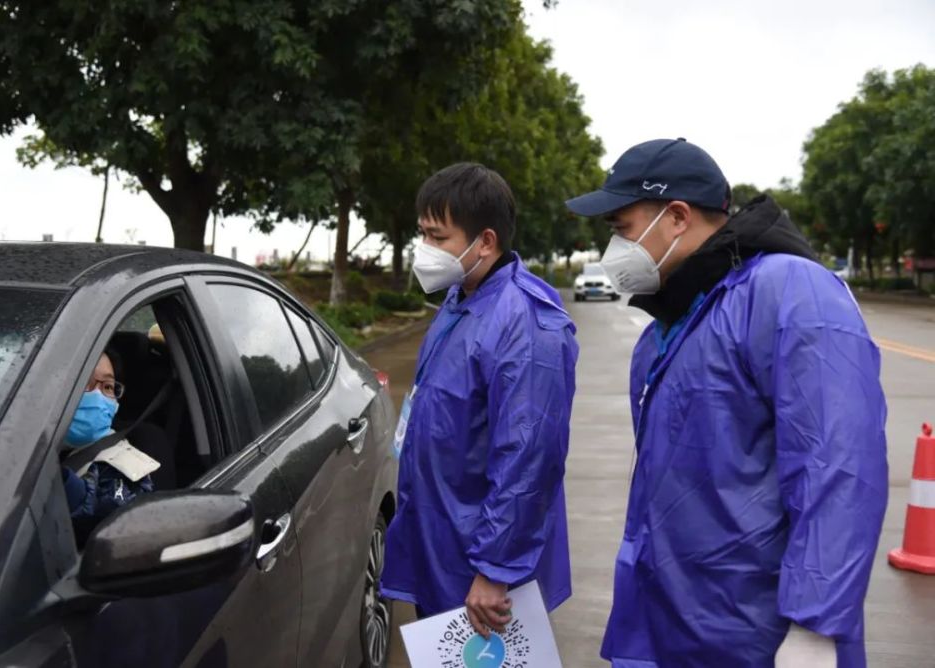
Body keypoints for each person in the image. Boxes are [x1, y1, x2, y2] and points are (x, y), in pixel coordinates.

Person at [566, 138, 887, 668]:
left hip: (757, 633)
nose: (613, 250)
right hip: (678, 623)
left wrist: (816, 624)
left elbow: (838, 463)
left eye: (621, 228)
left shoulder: (791, 293)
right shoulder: (668, 327)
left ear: (675, 217)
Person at [380, 163, 579, 638]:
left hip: (483, 562)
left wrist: (495, 570)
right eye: (422, 234)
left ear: (485, 242)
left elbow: (528, 459)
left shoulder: (525, 322)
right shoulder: (459, 299)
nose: (425, 250)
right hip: (442, 536)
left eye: (437, 237)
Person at [62, 348, 160, 545]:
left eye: (107, 387)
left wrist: (63, 484)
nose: (98, 396)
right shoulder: (20, 436)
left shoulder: (122, 466)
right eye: (83, 383)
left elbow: (110, 517)